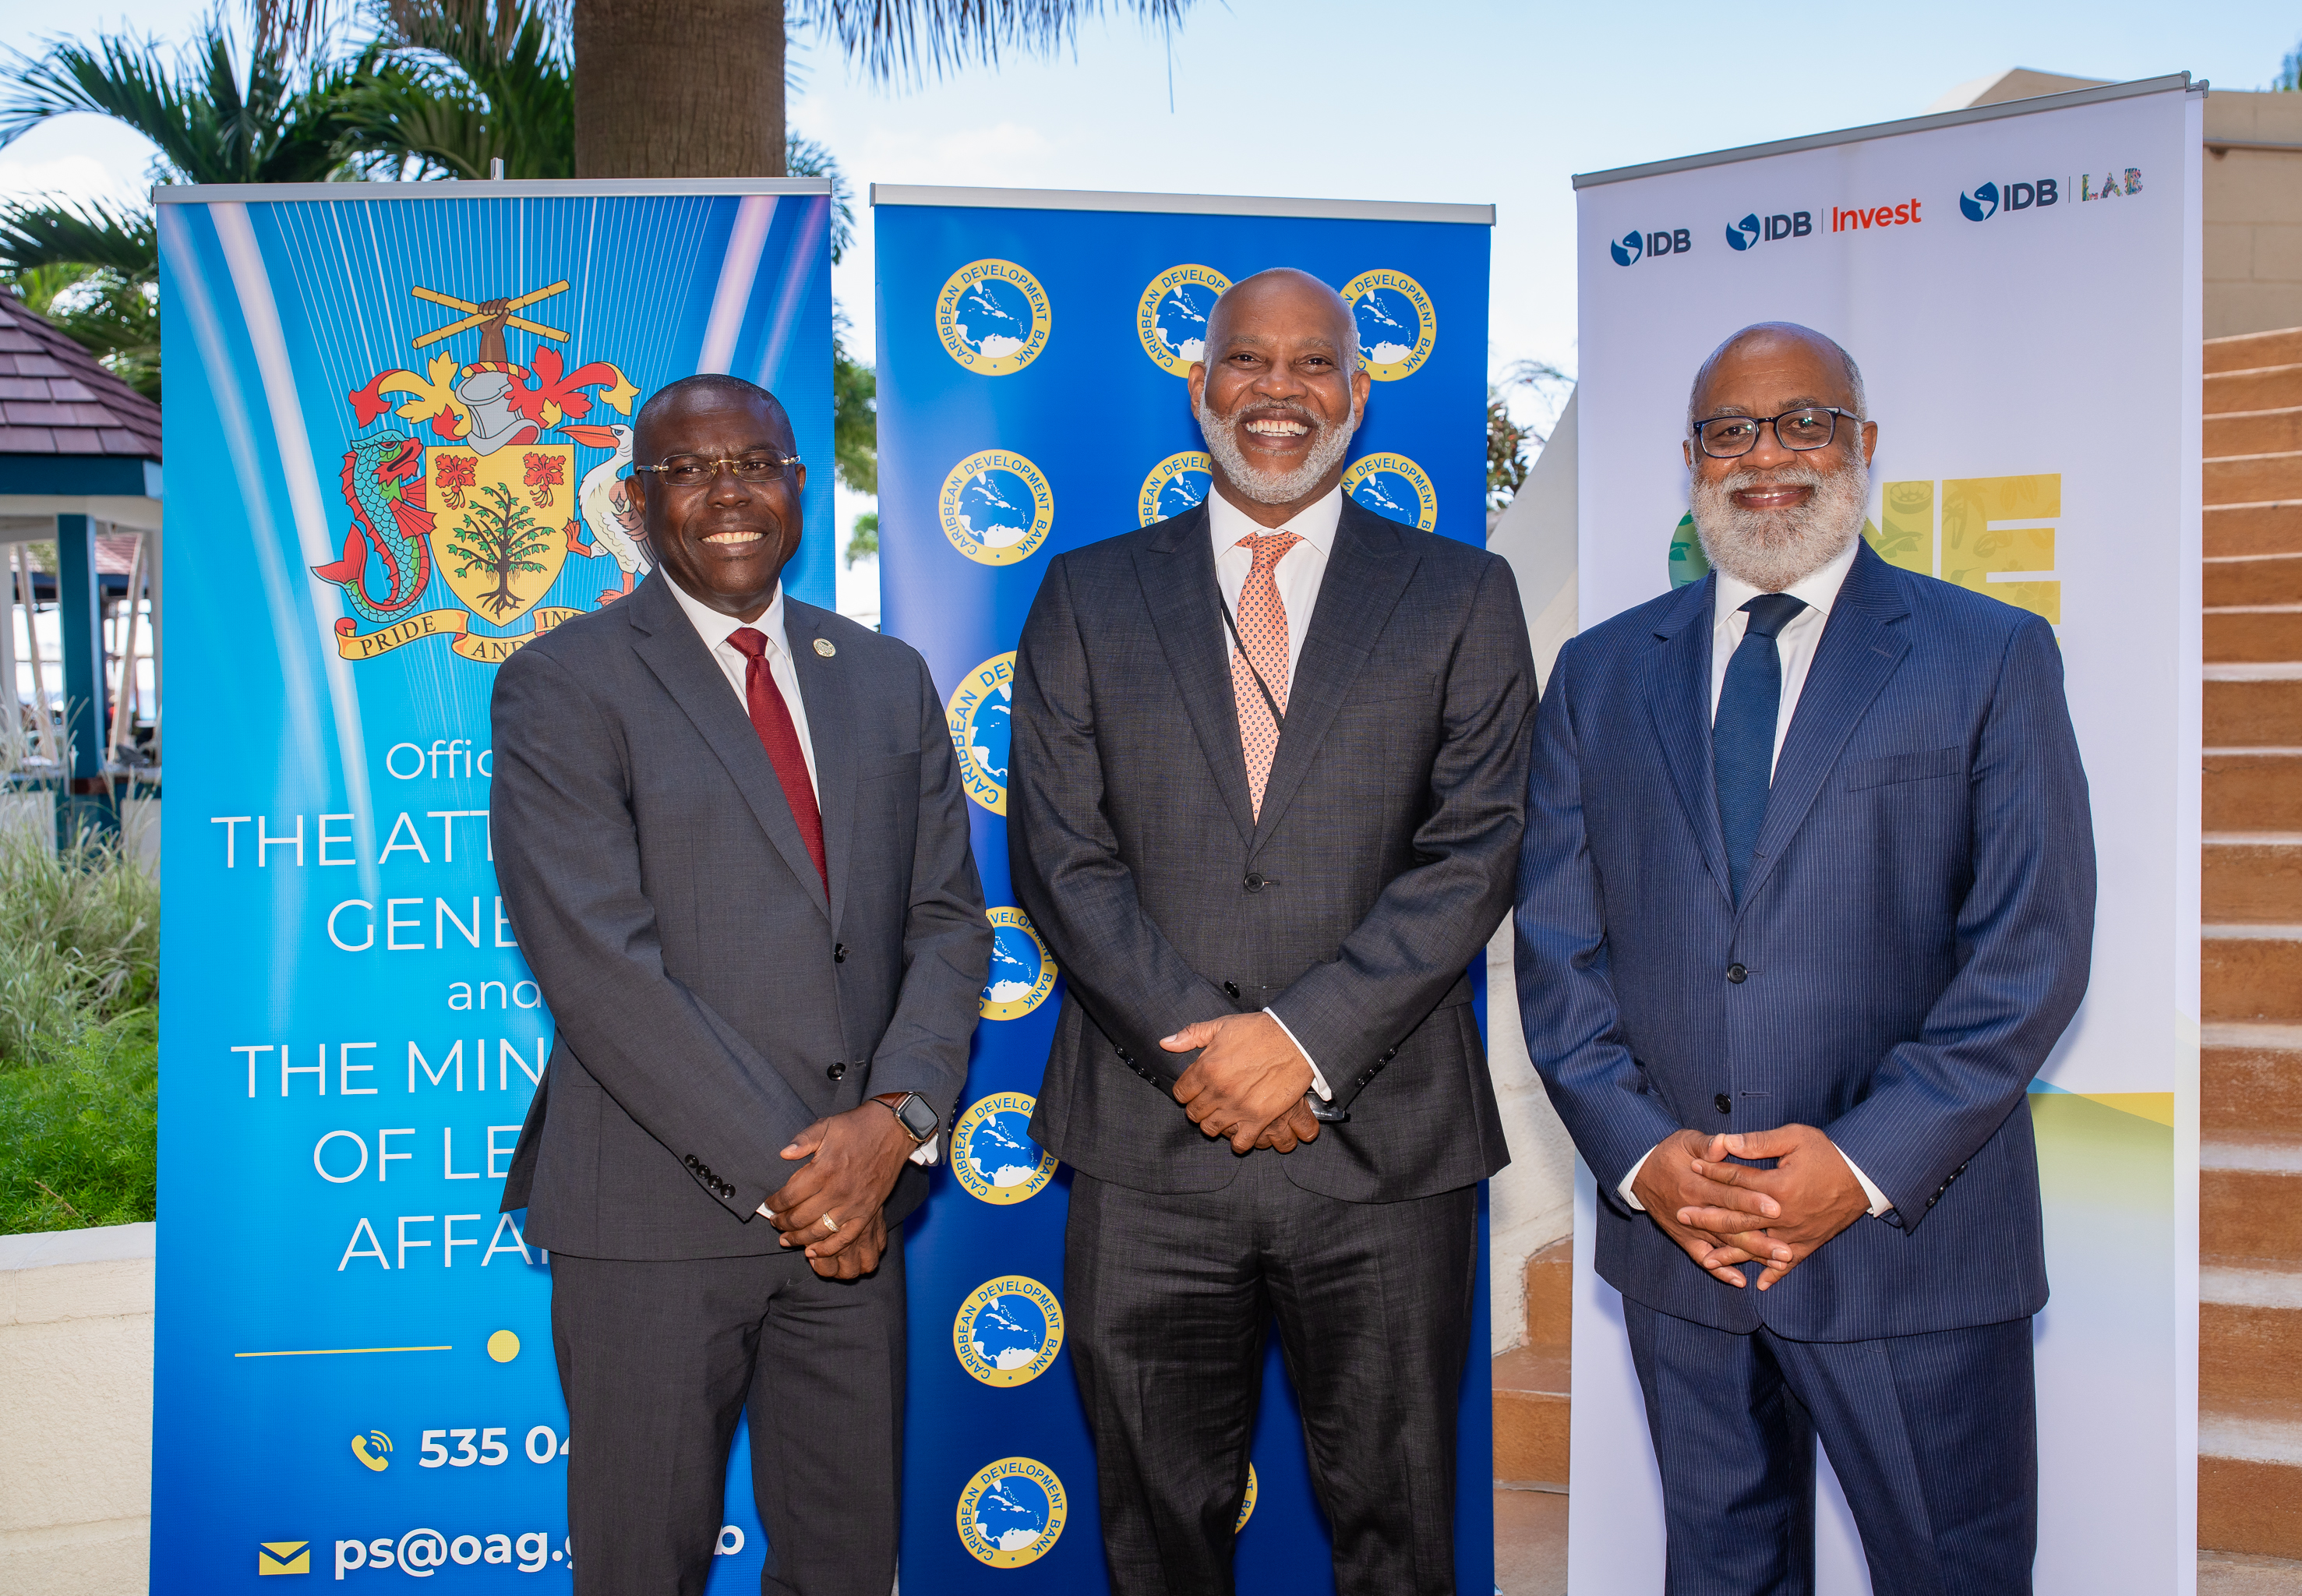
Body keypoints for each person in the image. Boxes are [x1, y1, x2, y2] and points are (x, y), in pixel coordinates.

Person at [1514, 322, 2096, 1591]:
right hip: (1685, 1248)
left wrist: (1862, 1164)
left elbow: (2030, 951)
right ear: (1692, 459)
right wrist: (1643, 1158)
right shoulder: (1601, 675)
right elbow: (1558, 949)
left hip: (1912, 1254)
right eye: (1731, 431)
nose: (1766, 457)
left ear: (1862, 443)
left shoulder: (1989, 654)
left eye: (1803, 423)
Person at [1008, 267, 1538, 1596]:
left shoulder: (1462, 595)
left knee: (1399, 1535)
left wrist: (1299, 1044)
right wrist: (1212, 1052)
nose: (1279, 390)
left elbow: (1477, 850)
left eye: (1314, 363)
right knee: (1156, 1539)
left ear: (1358, 395)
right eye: (1249, 359)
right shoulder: (1086, 593)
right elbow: (1061, 858)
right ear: (1202, 388)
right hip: (1148, 1149)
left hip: (1387, 1150)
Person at [489, 373, 991, 1594]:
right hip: (656, 1220)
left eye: (755, 464)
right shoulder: (563, 682)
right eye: (689, 469)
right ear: (635, 501)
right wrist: (811, 1183)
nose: (728, 493)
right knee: (642, 1569)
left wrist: (894, 1124)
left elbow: (945, 922)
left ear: (797, 487)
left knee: (844, 1565)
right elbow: (600, 971)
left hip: (859, 1212)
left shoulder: (884, 676)